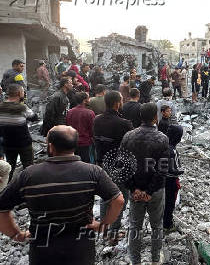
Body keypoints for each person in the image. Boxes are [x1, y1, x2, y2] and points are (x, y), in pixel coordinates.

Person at [0, 125, 124, 265]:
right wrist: (103, 225)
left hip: (43, 251)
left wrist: (16, 235)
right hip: (80, 250)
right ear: (74, 146)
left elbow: (2, 208)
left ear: (51, 146)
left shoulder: (28, 175)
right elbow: (118, 200)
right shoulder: (93, 172)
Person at [120, 103, 170, 265]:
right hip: (155, 192)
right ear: (155, 117)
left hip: (135, 191)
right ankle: (155, 259)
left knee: (135, 226)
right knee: (157, 225)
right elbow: (162, 170)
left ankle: (135, 261)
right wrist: (149, 191)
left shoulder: (128, 137)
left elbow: (122, 167)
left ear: (141, 117)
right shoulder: (162, 138)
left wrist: (134, 189)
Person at [94, 91, 133, 242]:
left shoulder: (97, 120)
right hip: (119, 167)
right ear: (117, 103)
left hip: (102, 164)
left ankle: (105, 229)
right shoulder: (124, 124)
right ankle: (113, 232)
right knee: (120, 197)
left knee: (105, 197)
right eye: (122, 100)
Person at [0, 84, 38, 181]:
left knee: (10, 168)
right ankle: (28, 187)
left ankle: (6, 189)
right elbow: (34, 117)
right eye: (22, 91)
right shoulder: (22, 108)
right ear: (19, 93)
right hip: (24, 144)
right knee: (28, 168)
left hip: (8, 144)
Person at [164, 125, 184, 233]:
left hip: (161, 180)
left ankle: (161, 221)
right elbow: (176, 169)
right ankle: (167, 225)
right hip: (171, 181)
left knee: (163, 202)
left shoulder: (163, 145)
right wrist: (182, 170)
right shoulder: (173, 150)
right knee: (170, 203)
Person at [66, 92, 95, 163]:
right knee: (87, 164)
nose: (89, 100)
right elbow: (92, 130)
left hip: (73, 142)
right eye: (88, 98)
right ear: (84, 101)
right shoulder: (89, 113)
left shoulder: (70, 112)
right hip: (85, 143)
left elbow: (68, 126)